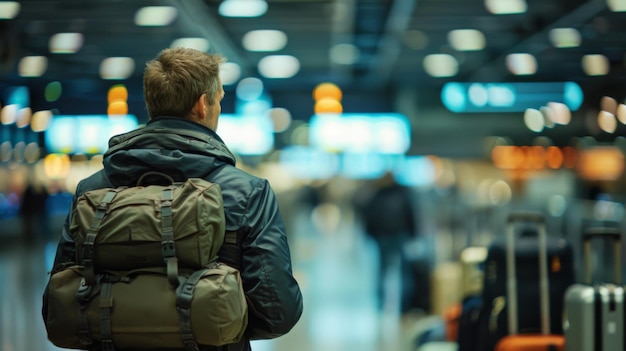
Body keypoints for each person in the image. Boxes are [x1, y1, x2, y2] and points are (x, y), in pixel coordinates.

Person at [42, 47, 303, 351]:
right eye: (219, 98)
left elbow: (58, 305)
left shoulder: (93, 189)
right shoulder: (248, 192)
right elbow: (278, 312)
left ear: (153, 104)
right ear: (203, 104)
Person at [355, 171, 421, 314]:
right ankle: (405, 305)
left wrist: (369, 235)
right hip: (400, 235)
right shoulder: (403, 194)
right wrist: (414, 234)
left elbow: (369, 216)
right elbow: (411, 215)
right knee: (404, 272)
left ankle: (380, 303)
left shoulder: (377, 195)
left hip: (382, 237)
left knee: (382, 271)